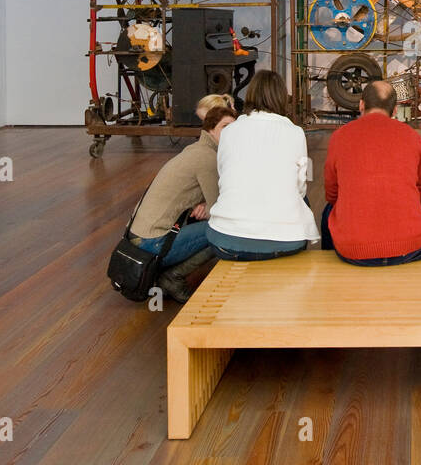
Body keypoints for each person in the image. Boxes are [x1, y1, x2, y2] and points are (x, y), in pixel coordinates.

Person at [127, 103, 236, 302]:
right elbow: (221, 211)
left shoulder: (195, 149)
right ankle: (173, 277)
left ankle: (169, 270)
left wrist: (204, 205)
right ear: (210, 129)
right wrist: (210, 208)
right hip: (152, 243)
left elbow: (207, 202)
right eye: (225, 127)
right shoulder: (207, 158)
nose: (231, 134)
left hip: (137, 237)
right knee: (225, 229)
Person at [322, 79, 421, 266]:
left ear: (361, 104)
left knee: (329, 211)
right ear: (394, 111)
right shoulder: (412, 136)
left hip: (352, 252)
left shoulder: (340, 136)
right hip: (409, 249)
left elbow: (331, 192)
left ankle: (329, 267)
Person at [207, 70, 319, 260]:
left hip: (226, 240)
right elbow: (302, 184)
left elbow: (223, 175)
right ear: (282, 98)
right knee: (303, 200)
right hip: (286, 242)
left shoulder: (229, 132)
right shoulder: (296, 132)